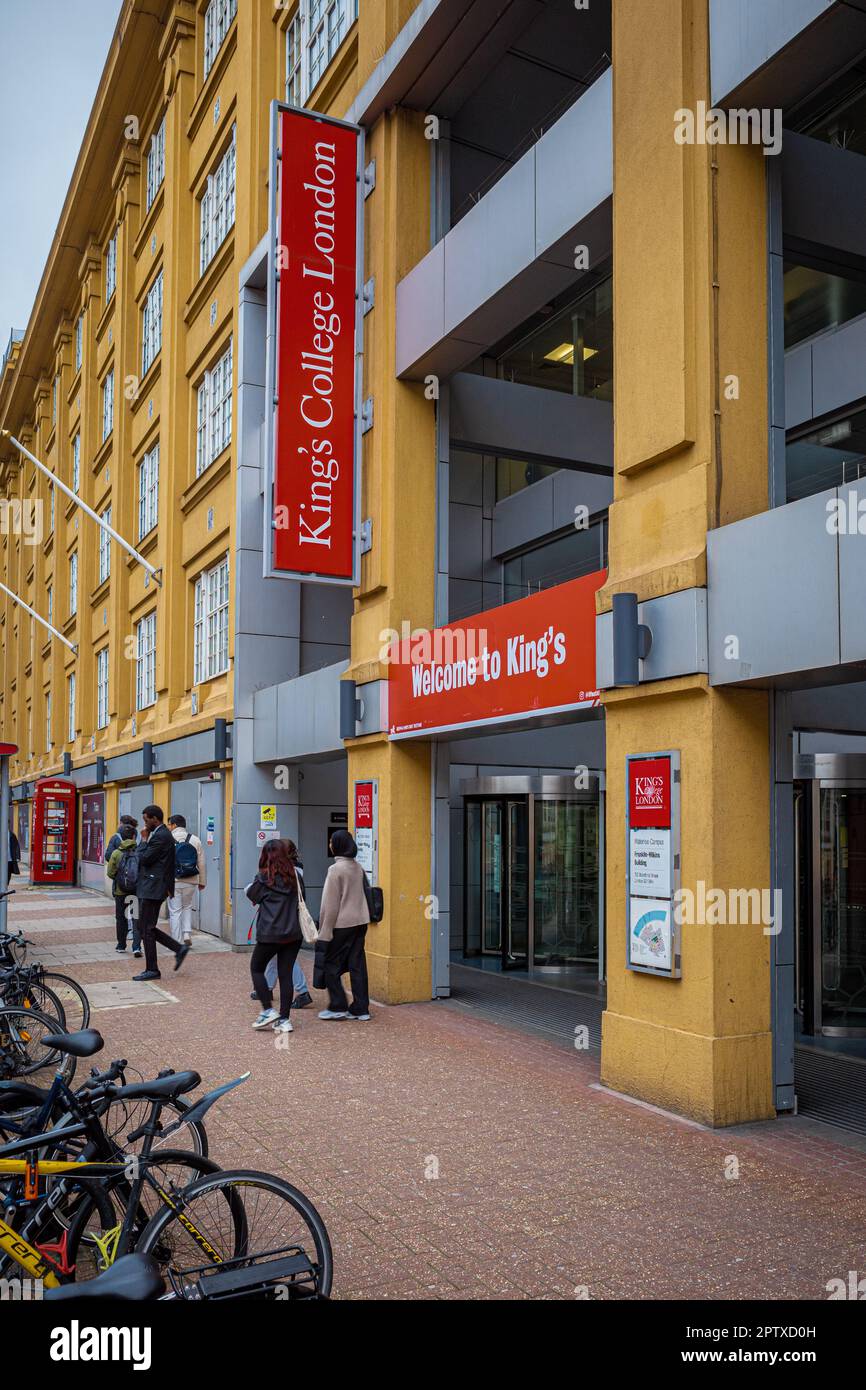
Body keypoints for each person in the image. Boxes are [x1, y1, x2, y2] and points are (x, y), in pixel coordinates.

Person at [246, 839, 303, 1034]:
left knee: (256, 967)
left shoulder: (263, 878)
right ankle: (284, 1019)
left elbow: (252, 896)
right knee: (285, 974)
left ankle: (268, 1010)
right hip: (293, 933)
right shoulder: (295, 876)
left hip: (270, 933)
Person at [317, 828, 371, 1021]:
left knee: (331, 964)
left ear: (338, 845)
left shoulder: (335, 870)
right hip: (361, 921)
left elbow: (330, 905)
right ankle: (361, 1007)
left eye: (331, 841)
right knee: (357, 964)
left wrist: (325, 930)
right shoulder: (358, 867)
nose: (330, 844)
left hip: (342, 924)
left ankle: (337, 1005)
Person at [133, 805, 188, 981]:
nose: (144, 823)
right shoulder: (160, 834)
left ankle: (153, 969)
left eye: (146, 819)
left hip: (153, 888)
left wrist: (143, 840)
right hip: (153, 886)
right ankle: (178, 949)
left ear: (155, 819)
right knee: (145, 927)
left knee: (146, 929)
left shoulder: (161, 836)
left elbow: (143, 858)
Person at [258, 840, 313, 1009]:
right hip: (288, 920)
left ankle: (302, 991)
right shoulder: (295, 868)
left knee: (283, 960)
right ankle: (267, 987)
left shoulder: (287, 871)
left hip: (281, 921)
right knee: (277, 957)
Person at [166, 814, 206, 946]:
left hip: (174, 880)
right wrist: (202, 881)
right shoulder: (195, 839)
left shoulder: (168, 839)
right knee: (187, 906)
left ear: (174, 825)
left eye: (170, 825)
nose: (169, 827)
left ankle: (176, 940)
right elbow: (201, 862)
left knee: (175, 910)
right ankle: (187, 933)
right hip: (191, 879)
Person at [106, 818, 142, 957]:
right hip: (135, 891)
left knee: (120, 918)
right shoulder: (139, 852)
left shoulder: (116, 853)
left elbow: (110, 873)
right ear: (134, 836)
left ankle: (121, 945)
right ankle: (136, 947)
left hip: (120, 891)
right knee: (136, 918)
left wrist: (119, 878)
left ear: (120, 836)